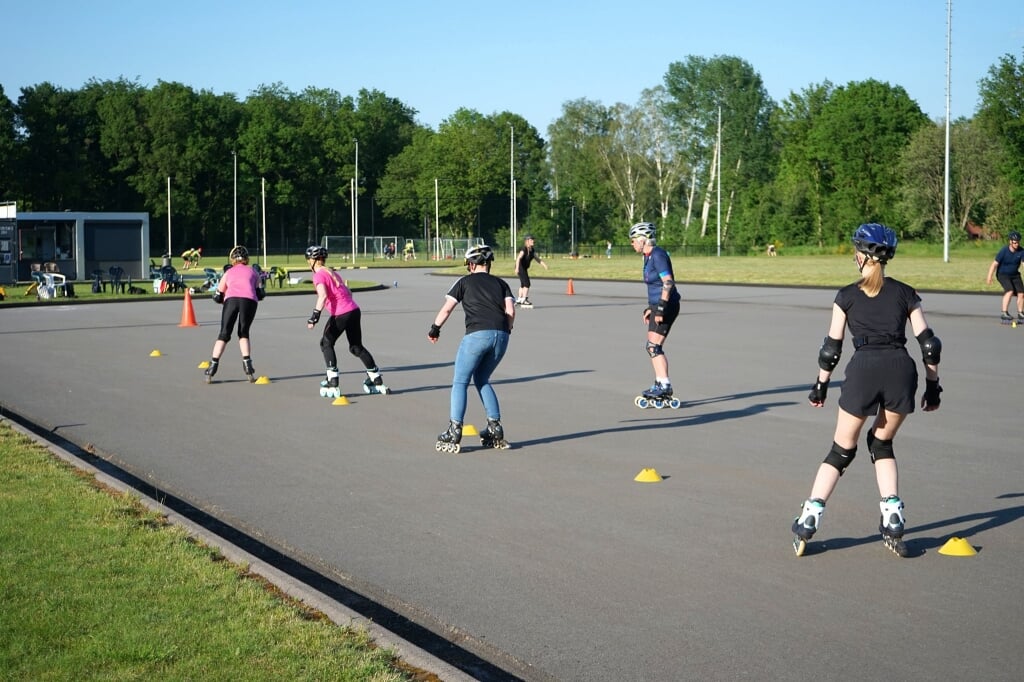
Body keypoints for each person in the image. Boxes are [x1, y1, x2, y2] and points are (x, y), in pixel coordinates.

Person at [791, 223, 943, 558]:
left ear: (861, 256)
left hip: (863, 371)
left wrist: (820, 385)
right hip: (901, 371)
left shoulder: (845, 295)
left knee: (841, 451)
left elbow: (831, 348)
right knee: (882, 442)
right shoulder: (906, 293)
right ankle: (892, 517)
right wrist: (933, 387)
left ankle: (809, 519)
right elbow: (929, 345)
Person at [427, 244, 515, 453]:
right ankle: (495, 427)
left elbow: (448, 307)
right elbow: (510, 310)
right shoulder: (502, 283)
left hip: (477, 334)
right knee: (482, 379)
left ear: (472, 264)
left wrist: (435, 328)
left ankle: (454, 429)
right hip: (501, 336)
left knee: (460, 381)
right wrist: (506, 331)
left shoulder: (464, 282)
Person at [304, 245, 389, 398]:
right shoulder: (332, 272)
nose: (307, 262)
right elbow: (348, 291)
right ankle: (376, 380)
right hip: (354, 310)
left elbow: (322, 296)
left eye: (308, 259)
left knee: (326, 343)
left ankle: (333, 381)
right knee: (356, 347)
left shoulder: (318, 275)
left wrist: (314, 317)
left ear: (313, 260)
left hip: (341, 313)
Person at [628, 222, 681, 407]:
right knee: (651, 346)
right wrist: (651, 308)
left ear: (643, 240)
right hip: (657, 305)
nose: (632, 244)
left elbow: (668, 283)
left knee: (654, 347)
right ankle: (660, 381)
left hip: (667, 306)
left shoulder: (658, 255)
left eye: (633, 240)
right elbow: (655, 286)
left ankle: (665, 385)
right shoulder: (647, 256)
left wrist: (660, 308)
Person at [204, 245, 264, 384]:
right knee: (243, 333)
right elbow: (261, 293)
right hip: (249, 301)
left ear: (232, 259)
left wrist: (223, 301)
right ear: (247, 259)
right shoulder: (254, 272)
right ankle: (248, 366)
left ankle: (212, 367)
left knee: (224, 334)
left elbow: (218, 296)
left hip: (231, 300)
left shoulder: (228, 273)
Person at [984, 230, 1024, 324]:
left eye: (1018, 242)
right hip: (1003, 274)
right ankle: (1004, 312)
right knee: (1009, 290)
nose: (1017, 244)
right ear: (1010, 242)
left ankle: (1020, 312)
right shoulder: (1004, 251)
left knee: (1021, 293)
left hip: (1015, 274)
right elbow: (994, 264)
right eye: (1015, 242)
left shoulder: (1021, 251)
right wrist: (989, 277)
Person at [513, 234, 547, 306]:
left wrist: (544, 265)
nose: (533, 241)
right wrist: (516, 268)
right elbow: (518, 258)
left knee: (523, 284)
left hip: (524, 268)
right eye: (531, 240)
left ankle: (520, 299)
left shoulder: (532, 250)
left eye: (533, 239)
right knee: (527, 284)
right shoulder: (524, 249)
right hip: (520, 267)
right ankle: (524, 299)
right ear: (527, 241)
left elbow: (537, 259)